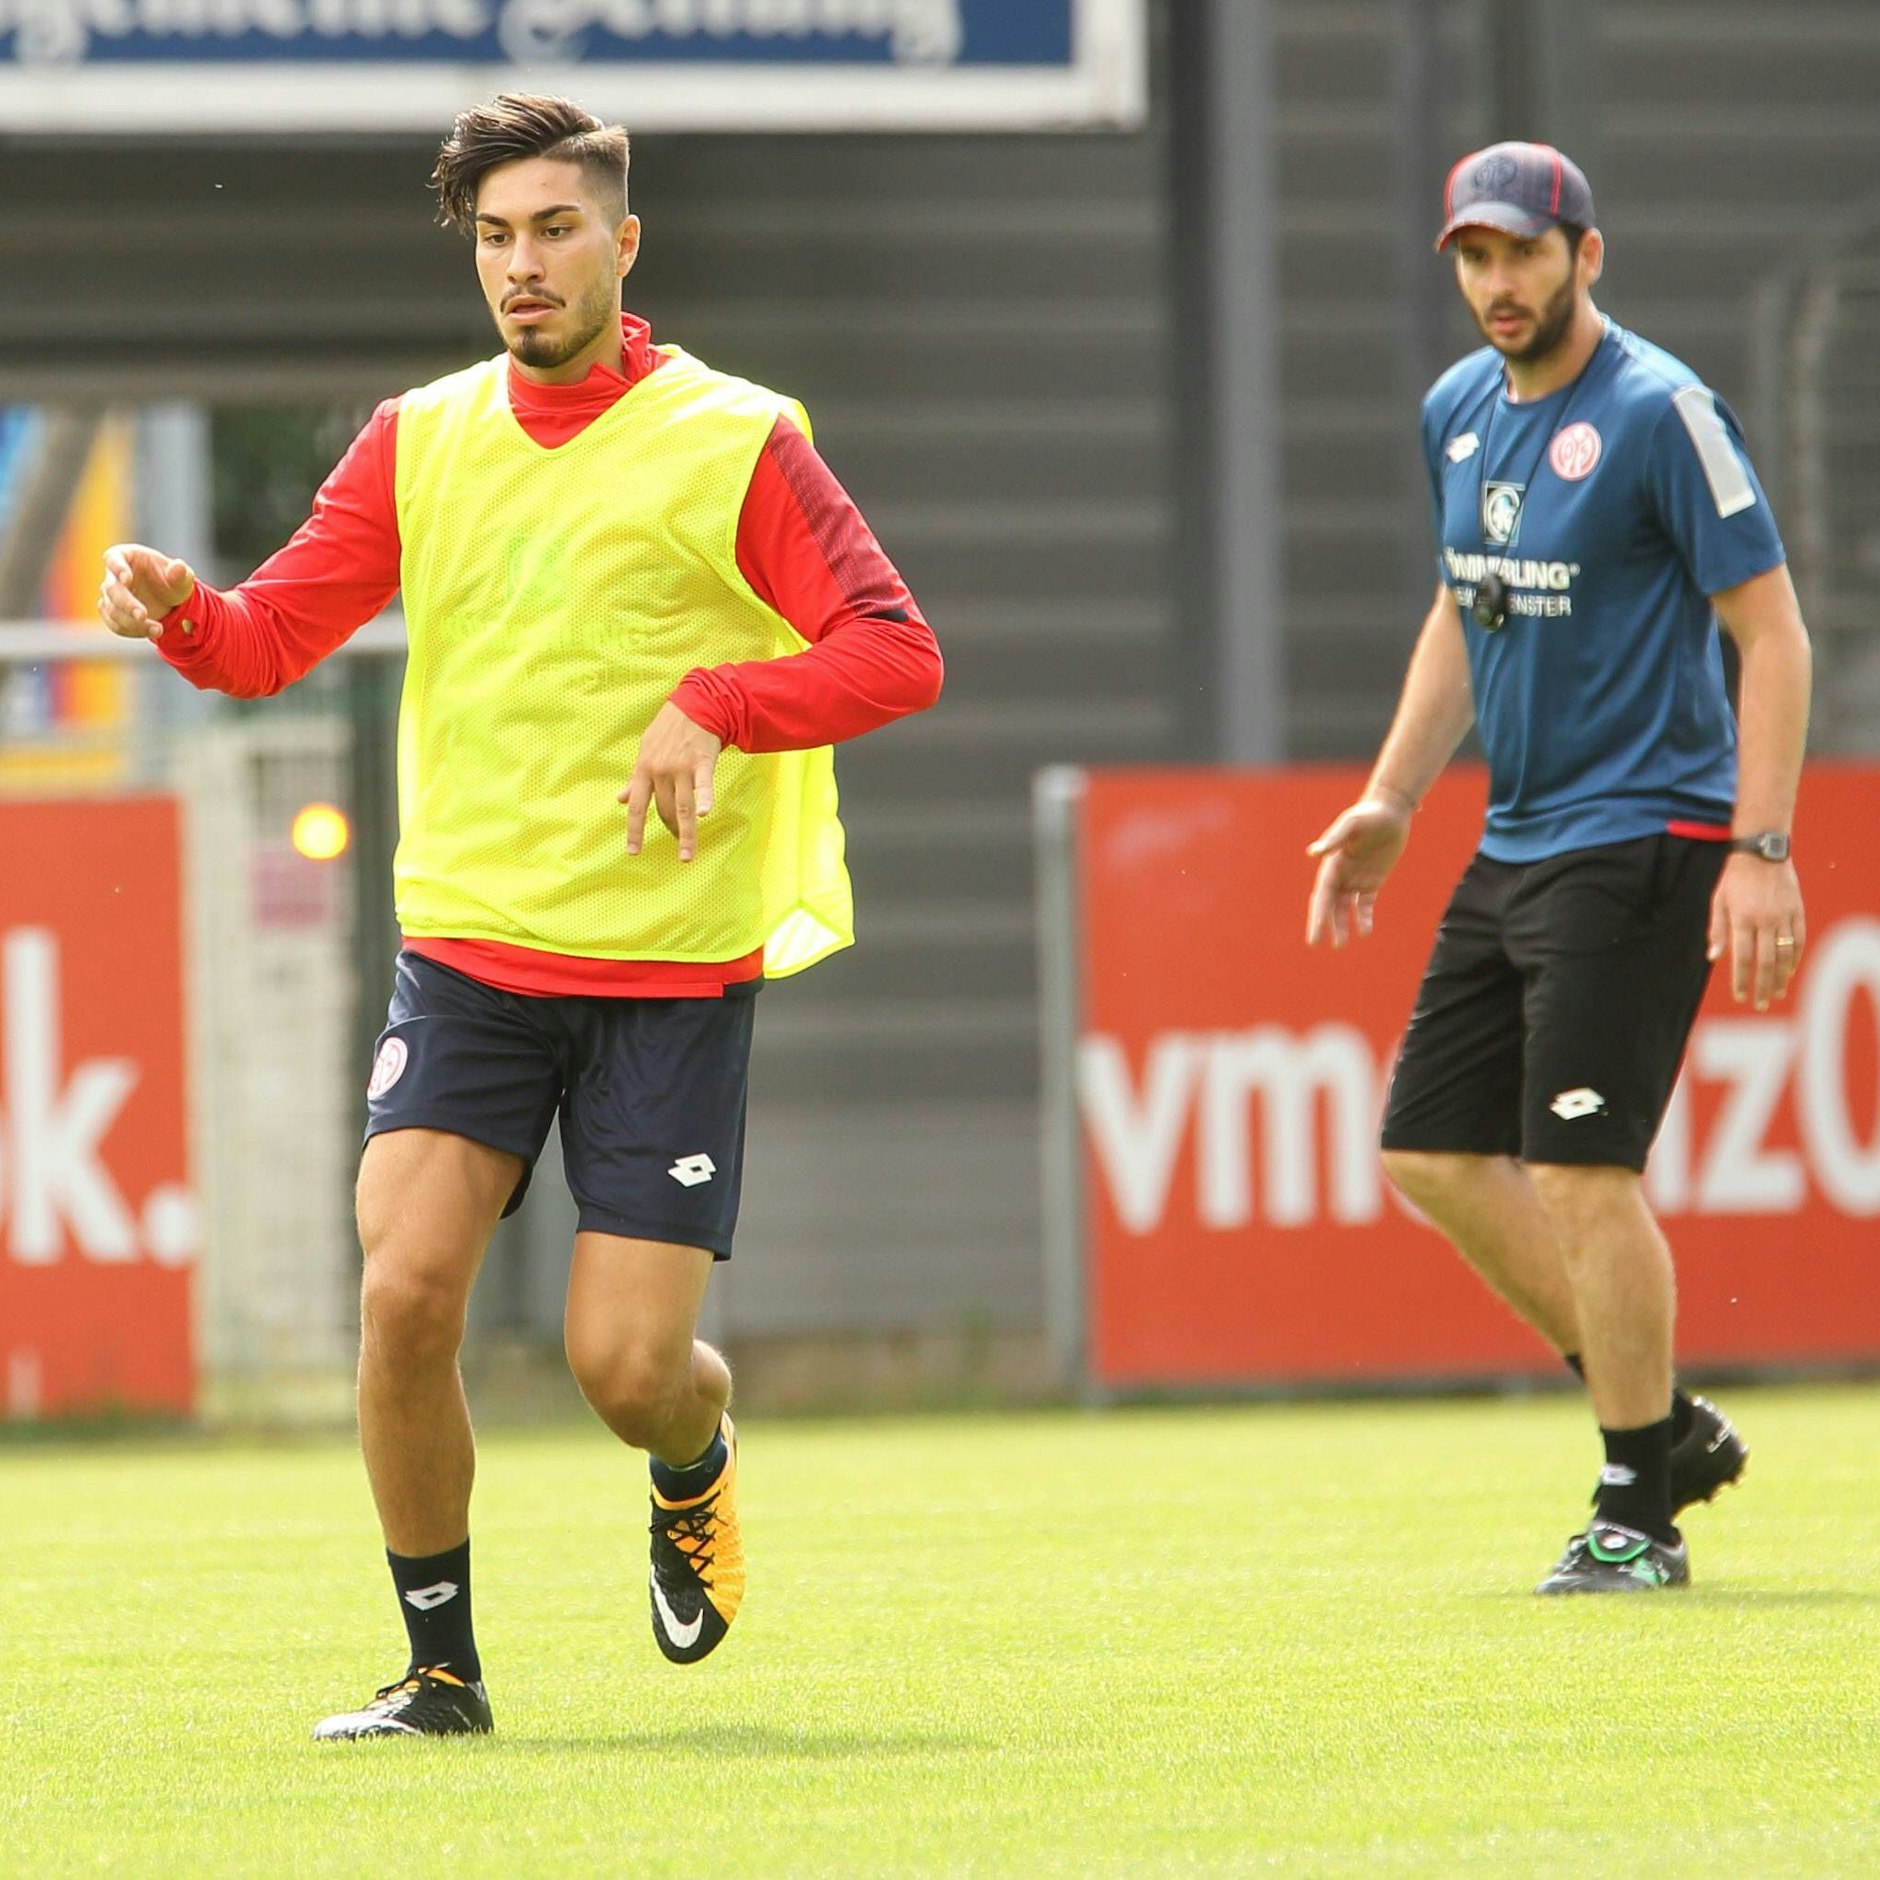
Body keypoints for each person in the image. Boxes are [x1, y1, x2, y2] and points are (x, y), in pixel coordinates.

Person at [98, 92, 943, 1732]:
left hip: (667, 968)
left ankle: (694, 1457)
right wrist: (183, 612)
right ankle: (440, 1674)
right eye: (494, 237)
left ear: (625, 245)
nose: (522, 265)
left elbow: (898, 653)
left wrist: (719, 696)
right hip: (472, 948)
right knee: (402, 1292)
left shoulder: (737, 436)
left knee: (627, 1370)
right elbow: (271, 638)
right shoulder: (419, 435)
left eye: (556, 229)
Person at [1305, 143, 1810, 1594]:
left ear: (1589, 256)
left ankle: (1634, 1512)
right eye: (1473, 256)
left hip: (1646, 834)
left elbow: (1772, 635)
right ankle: (1662, 1421)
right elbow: (1466, 610)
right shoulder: (1458, 410)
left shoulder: (1662, 413)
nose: (1497, 282)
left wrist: (1758, 849)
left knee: (1582, 1171)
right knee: (1429, 1154)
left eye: (1523, 254)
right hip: (1513, 836)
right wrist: (1394, 794)